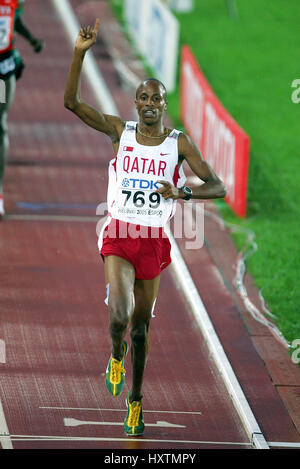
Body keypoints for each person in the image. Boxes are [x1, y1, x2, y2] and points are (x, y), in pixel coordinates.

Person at [64, 19, 226, 436]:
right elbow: (72, 104)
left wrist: (183, 194)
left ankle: (135, 400)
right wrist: (80, 53)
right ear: (135, 104)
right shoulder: (121, 132)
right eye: (143, 97)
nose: (149, 102)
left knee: (140, 329)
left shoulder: (179, 142)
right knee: (118, 317)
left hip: (153, 241)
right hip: (120, 233)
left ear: (164, 104)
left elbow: (218, 186)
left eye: (156, 97)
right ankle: (113, 355)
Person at [0, 0, 44, 218]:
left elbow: (13, 20)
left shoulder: (14, 1)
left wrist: (31, 39)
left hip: (1, 71)